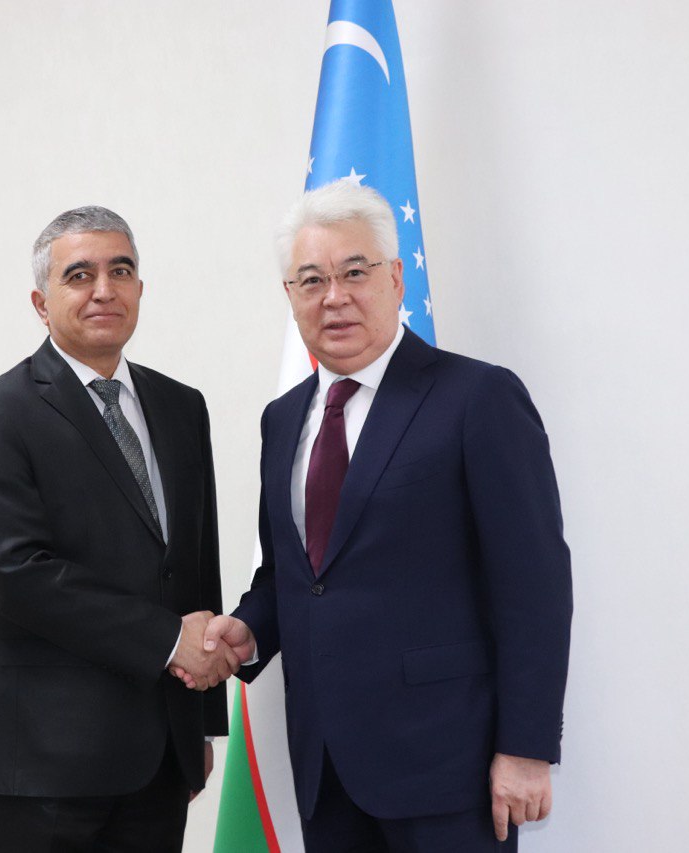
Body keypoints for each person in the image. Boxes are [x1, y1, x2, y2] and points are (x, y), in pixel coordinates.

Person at [190, 181, 573, 851]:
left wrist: (526, 747)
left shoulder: (476, 397)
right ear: (290, 295)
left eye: (354, 272)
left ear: (396, 278)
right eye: (312, 280)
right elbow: (295, 575)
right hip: (326, 768)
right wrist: (247, 631)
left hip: (449, 767)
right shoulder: (283, 420)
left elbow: (533, 584)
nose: (334, 296)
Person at [0, 205, 236, 853]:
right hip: (42, 762)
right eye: (79, 275)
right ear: (41, 303)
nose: (104, 289)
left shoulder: (181, 405)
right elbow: (16, 574)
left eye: (121, 271)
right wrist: (170, 640)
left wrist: (197, 725)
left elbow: (193, 565)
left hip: (160, 758)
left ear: (140, 289)